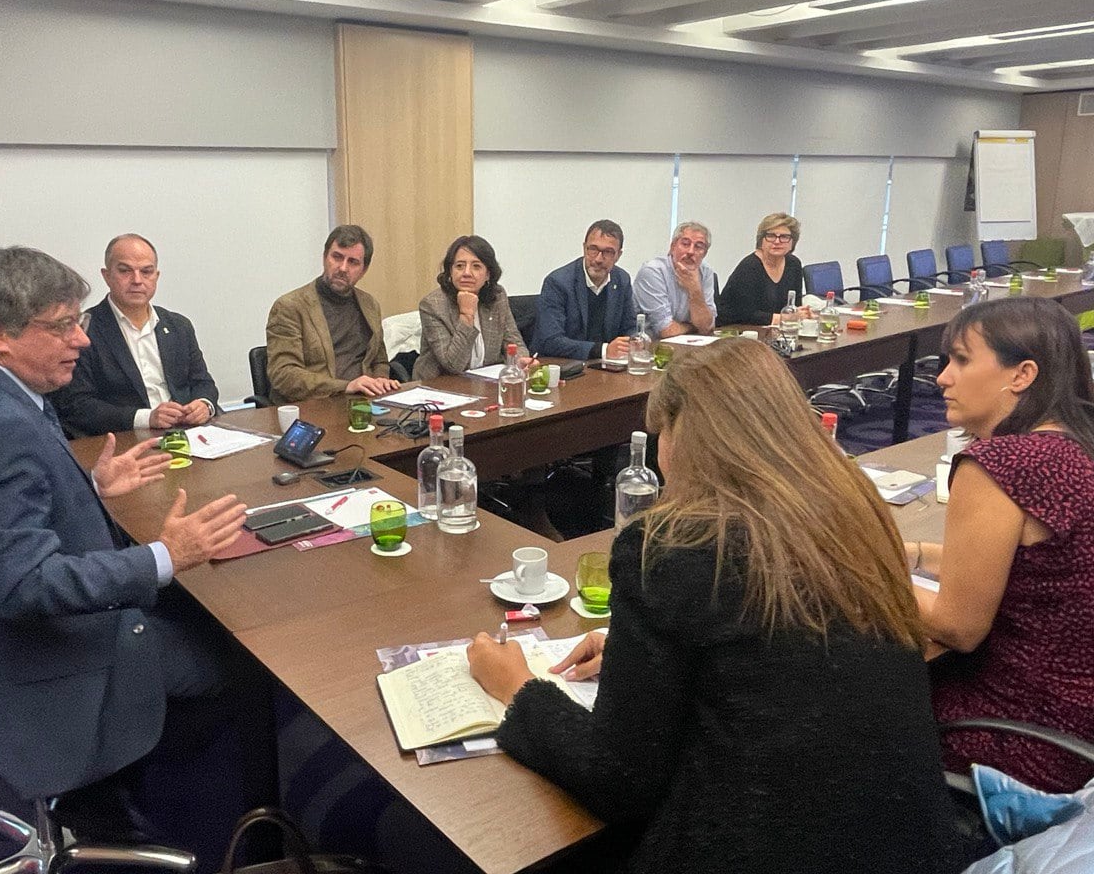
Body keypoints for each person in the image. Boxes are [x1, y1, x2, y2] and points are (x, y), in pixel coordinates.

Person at [467, 339, 964, 874]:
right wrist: (648, 661)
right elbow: (772, 652)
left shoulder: (672, 547)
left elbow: (617, 781)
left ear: (687, 438)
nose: (660, 458)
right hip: (915, 848)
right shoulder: (856, 516)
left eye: (663, 436)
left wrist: (518, 688)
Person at [0, 247, 275, 852]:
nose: (81, 339)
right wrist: (164, 556)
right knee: (241, 652)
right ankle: (209, 825)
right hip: (22, 664)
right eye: (61, 326)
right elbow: (23, 586)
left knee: (189, 611)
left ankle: (119, 785)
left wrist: (92, 488)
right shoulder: (1, 429)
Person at [909, 297, 1094, 793]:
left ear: (1022, 374)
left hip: (1019, 738)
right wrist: (918, 554)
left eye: (961, 360)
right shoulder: (1076, 445)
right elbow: (1037, 566)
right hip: (1077, 722)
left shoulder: (1004, 463)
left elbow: (958, 626)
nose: (943, 378)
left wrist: (856, 569)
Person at [50, 233, 219, 437]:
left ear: (156, 276)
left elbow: (203, 382)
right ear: (106, 275)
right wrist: (146, 418)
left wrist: (204, 404)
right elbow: (77, 405)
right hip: (125, 439)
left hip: (187, 435)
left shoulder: (178, 326)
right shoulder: (84, 329)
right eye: (125, 271)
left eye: (146, 272)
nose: (137, 280)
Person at [265, 225, 399, 404]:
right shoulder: (290, 307)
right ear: (324, 258)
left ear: (364, 270)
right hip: (314, 406)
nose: (343, 268)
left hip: (363, 405)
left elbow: (379, 360)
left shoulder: (369, 304)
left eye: (353, 262)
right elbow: (284, 374)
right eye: (337, 257)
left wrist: (380, 380)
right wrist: (345, 386)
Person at [414, 235, 529, 381]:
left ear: (488, 274)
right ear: (450, 272)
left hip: (485, 385)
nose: (466, 273)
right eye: (459, 266)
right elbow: (453, 365)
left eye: (476, 266)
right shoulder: (432, 305)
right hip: (440, 387)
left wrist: (520, 360)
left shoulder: (497, 297)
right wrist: (466, 315)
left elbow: (513, 341)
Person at [534, 219, 638, 361]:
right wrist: (603, 350)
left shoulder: (621, 280)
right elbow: (551, 341)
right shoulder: (558, 283)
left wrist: (634, 342)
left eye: (608, 252)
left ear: (618, 255)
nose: (598, 259)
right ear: (584, 248)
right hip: (565, 367)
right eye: (593, 249)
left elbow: (630, 328)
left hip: (607, 365)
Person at [717, 212, 805, 326]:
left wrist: (802, 314)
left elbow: (795, 305)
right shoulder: (749, 267)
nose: (777, 241)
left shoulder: (794, 264)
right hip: (736, 331)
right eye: (771, 236)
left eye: (784, 237)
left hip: (776, 331)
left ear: (792, 242)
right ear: (761, 240)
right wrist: (785, 318)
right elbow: (745, 314)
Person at [632, 221, 716, 338]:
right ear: (672, 247)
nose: (691, 252)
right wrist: (693, 326)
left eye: (698, 246)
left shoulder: (706, 272)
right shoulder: (653, 271)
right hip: (651, 346)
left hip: (688, 343)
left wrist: (695, 290)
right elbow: (666, 330)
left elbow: (707, 327)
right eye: (685, 244)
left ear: (705, 253)